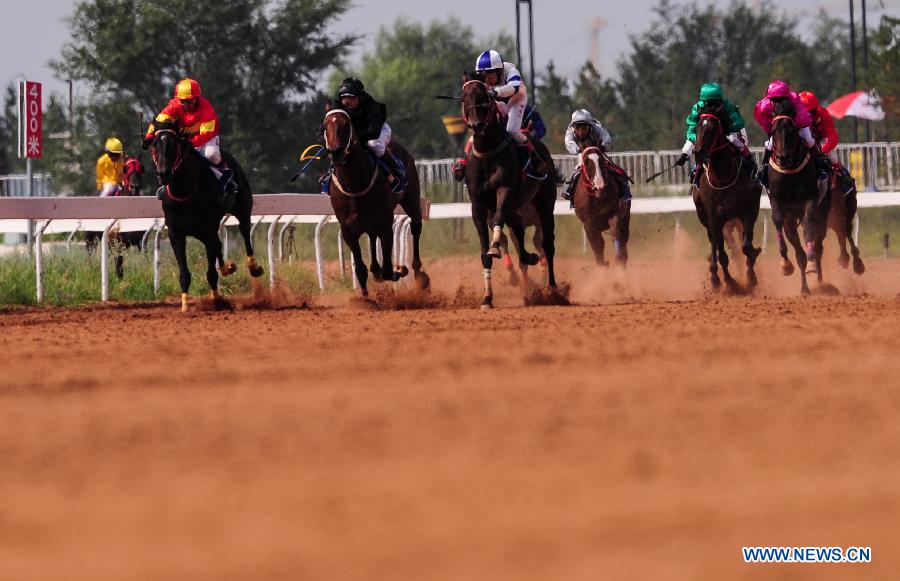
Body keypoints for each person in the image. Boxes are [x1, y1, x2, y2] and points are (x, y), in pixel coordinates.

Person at [143, 78, 236, 197]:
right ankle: (164, 185)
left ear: (197, 99)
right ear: (178, 100)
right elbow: (159, 122)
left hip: (205, 139)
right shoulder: (172, 107)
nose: (186, 105)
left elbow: (206, 134)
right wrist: (149, 136)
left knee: (211, 155)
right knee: (166, 152)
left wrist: (191, 143)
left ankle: (226, 177)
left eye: (190, 101)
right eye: (183, 101)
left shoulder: (207, 110)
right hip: (184, 139)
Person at [329, 77, 406, 194]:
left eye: (352, 98)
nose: (347, 102)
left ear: (360, 97)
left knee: (373, 145)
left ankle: (396, 169)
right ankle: (329, 175)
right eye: (344, 98)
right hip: (355, 134)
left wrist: (356, 139)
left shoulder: (372, 107)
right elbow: (323, 128)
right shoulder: (337, 108)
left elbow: (373, 132)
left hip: (378, 131)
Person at [675, 82, 756, 183]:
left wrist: (728, 128)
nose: (712, 107)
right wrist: (694, 145)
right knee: (696, 140)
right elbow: (691, 129)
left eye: (716, 103)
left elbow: (739, 123)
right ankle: (694, 167)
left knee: (733, 138)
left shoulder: (727, 106)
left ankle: (749, 160)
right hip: (705, 131)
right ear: (703, 102)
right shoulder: (697, 108)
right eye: (709, 104)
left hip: (729, 130)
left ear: (720, 100)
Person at [753, 80, 827, 188]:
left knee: (809, 138)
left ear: (788, 98)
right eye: (775, 100)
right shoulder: (763, 106)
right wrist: (775, 127)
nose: (778, 103)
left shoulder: (795, 98)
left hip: (797, 125)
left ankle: (819, 165)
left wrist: (789, 122)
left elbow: (805, 119)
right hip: (778, 127)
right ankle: (764, 168)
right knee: (770, 144)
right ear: (770, 99)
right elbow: (763, 122)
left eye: (782, 100)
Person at [561, 109, 631, 204]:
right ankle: (568, 191)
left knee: (612, 168)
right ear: (573, 127)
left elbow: (607, 137)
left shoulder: (596, 127)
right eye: (578, 127)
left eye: (584, 127)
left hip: (598, 151)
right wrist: (577, 149)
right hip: (582, 153)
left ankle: (624, 191)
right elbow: (568, 143)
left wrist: (603, 146)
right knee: (577, 169)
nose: (581, 131)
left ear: (590, 126)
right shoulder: (570, 131)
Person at [799, 90, 856, 195]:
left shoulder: (824, 115)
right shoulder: (796, 117)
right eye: (806, 112)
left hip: (820, 139)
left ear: (816, 109)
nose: (810, 115)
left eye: (812, 112)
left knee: (831, 155)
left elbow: (832, 137)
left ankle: (843, 178)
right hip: (804, 139)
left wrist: (824, 150)